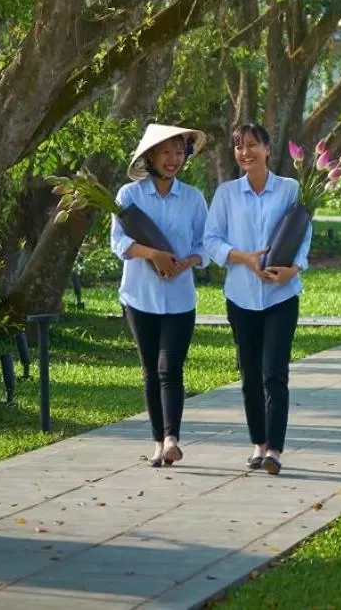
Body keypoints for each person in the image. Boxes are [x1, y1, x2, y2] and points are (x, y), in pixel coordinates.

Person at [204, 122, 310, 475]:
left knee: (274, 373)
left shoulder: (290, 189)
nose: (245, 152)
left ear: (267, 148)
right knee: (250, 373)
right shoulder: (226, 194)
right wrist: (244, 257)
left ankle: (275, 451)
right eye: (238, 146)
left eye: (252, 145)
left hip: (282, 295)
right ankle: (258, 445)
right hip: (241, 295)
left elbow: (303, 232)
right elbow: (211, 240)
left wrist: (294, 268)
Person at [111, 123, 209, 468]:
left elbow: (204, 244)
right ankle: (157, 443)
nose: (173, 159)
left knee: (171, 368)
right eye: (166, 152)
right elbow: (118, 243)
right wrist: (153, 254)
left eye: (179, 152)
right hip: (140, 297)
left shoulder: (194, 198)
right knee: (151, 370)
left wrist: (187, 262)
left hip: (181, 298)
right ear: (149, 156)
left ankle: (172, 439)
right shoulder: (128, 196)